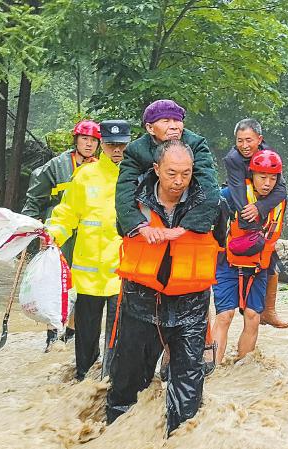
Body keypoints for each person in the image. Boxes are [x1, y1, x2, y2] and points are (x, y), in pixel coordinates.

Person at [107, 140, 221, 435]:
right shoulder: (133, 201)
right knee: (128, 382)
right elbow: (121, 228)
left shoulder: (209, 204)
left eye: (186, 173)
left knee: (188, 392)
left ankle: (178, 437)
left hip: (191, 306)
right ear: (156, 169)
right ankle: (118, 436)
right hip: (141, 303)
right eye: (172, 173)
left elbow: (221, 244)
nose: (179, 181)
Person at [44, 120, 129, 380]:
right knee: (86, 334)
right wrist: (53, 234)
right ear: (103, 145)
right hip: (88, 273)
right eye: (111, 145)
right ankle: (83, 379)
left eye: (121, 145)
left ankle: (111, 381)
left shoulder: (136, 176)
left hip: (121, 272)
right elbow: (67, 213)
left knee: (118, 335)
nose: (117, 150)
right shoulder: (85, 176)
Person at [22, 119, 101, 349]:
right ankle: (52, 333)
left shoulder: (101, 168)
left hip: (87, 231)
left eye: (93, 140)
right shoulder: (57, 166)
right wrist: (30, 223)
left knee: (81, 280)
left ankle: (72, 332)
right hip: (60, 228)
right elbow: (35, 197)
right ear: (76, 140)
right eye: (84, 139)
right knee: (55, 279)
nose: (89, 144)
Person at [211, 149, 286, 365]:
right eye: (262, 177)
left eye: (272, 178)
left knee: (252, 317)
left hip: (257, 267)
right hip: (227, 263)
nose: (267, 183)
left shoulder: (279, 200)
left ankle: (242, 370)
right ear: (252, 174)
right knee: (225, 316)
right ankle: (212, 370)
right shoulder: (230, 195)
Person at [115, 99, 220, 238]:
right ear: (150, 128)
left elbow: (208, 186)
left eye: (177, 120)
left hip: (185, 211)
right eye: (166, 121)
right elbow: (124, 191)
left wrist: (186, 227)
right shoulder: (136, 150)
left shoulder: (196, 144)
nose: (174, 127)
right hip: (152, 215)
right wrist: (139, 225)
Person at [223, 119, 288, 328]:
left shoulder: (269, 156)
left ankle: (269, 311)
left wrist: (260, 208)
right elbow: (237, 191)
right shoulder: (233, 159)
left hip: (261, 206)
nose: (244, 145)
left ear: (259, 140)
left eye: (249, 140)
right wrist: (249, 221)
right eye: (240, 140)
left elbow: (282, 190)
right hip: (241, 204)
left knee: (270, 262)